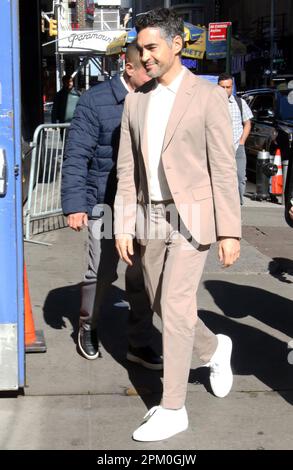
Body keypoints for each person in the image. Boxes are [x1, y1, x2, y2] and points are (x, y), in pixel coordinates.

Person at [114, 8, 241, 442]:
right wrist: (122, 224)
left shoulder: (208, 98)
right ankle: (214, 348)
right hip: (149, 216)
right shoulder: (136, 100)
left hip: (194, 216)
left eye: (152, 47)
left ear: (177, 44)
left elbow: (223, 169)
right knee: (158, 305)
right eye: (140, 48)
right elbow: (127, 172)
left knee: (176, 304)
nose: (145, 56)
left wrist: (230, 230)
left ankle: (173, 407)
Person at [61, 44, 162, 370]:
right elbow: (77, 155)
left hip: (143, 205)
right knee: (102, 272)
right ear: (129, 68)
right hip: (103, 204)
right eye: (147, 68)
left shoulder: (156, 98)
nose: (153, 73)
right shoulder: (96, 101)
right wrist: (75, 204)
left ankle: (140, 341)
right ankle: (87, 327)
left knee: (141, 275)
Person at [218, 72, 253, 205]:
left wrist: (242, 141)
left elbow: (247, 123)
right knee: (221, 179)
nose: (226, 90)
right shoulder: (212, 103)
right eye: (223, 87)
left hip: (237, 147)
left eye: (228, 87)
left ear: (232, 87)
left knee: (239, 177)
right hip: (220, 148)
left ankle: (238, 204)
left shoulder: (240, 102)